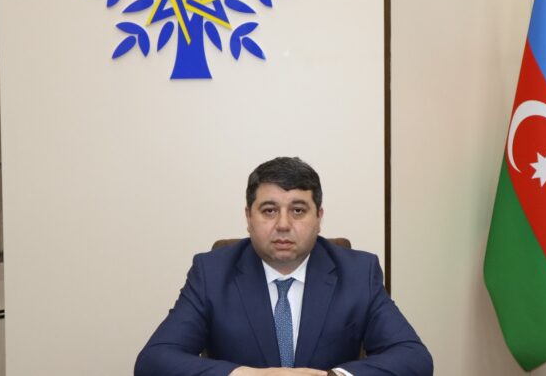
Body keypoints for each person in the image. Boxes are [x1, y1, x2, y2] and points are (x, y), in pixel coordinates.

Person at [135, 157, 433, 376]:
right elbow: (153, 361)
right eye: (269, 210)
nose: (283, 224)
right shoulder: (211, 273)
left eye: (298, 210)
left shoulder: (358, 273)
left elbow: (414, 358)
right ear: (248, 217)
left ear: (319, 218)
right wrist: (244, 375)